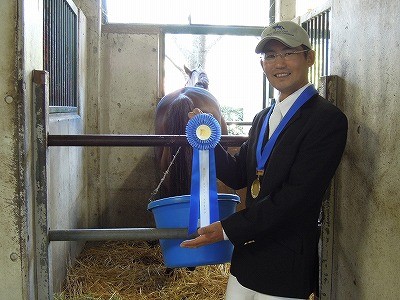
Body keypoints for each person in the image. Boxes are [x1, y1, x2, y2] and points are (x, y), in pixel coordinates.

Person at [181, 20, 348, 300]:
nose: (279, 63)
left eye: (289, 53)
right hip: (246, 260)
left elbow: (296, 198)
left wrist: (226, 229)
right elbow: (238, 174)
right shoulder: (262, 118)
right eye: (270, 56)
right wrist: (206, 142)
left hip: (285, 265)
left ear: (309, 57)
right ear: (263, 65)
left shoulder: (327, 120)